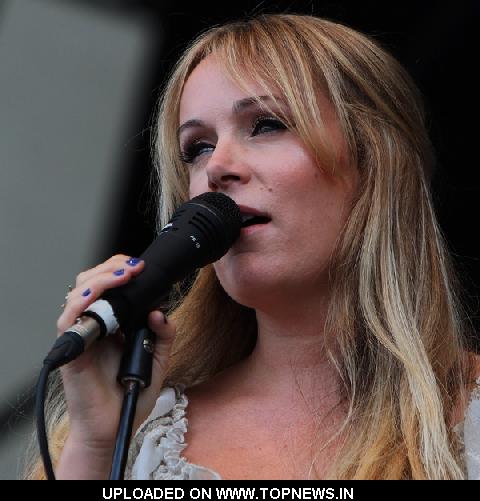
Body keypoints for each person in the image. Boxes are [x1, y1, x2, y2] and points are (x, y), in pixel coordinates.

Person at [25, 13, 479, 480]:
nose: (217, 168)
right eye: (197, 147)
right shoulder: (141, 433)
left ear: (374, 163)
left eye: (266, 125)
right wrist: (97, 446)